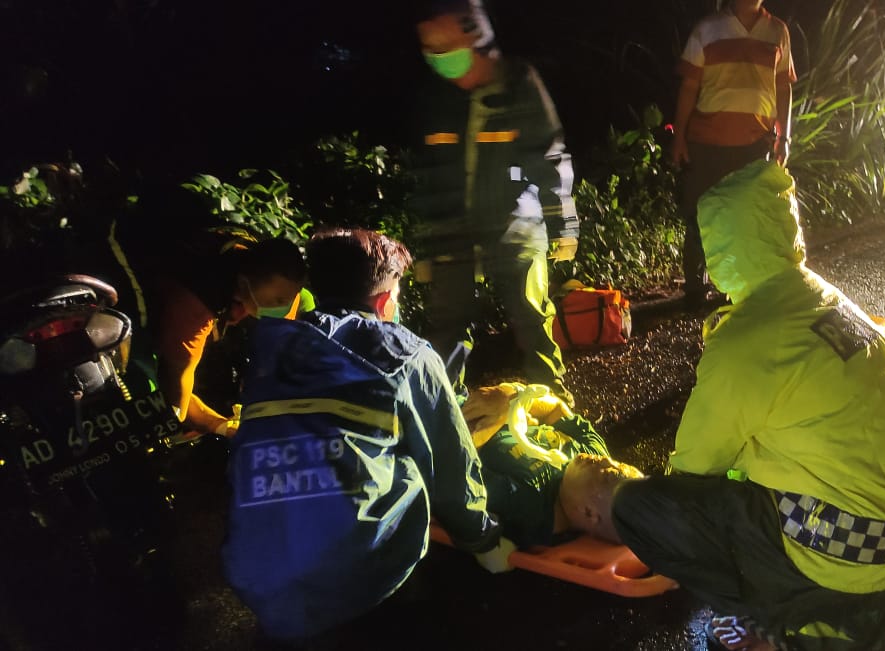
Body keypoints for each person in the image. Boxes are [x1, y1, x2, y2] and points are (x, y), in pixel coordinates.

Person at [611, 161, 885, 651]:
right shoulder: (826, 298)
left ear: (721, 247)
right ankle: (833, 620)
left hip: (847, 559)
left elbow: (693, 469)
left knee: (643, 508)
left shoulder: (746, 340)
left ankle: (773, 621)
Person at [220, 226, 514, 642]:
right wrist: (483, 540)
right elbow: (452, 464)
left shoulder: (274, 349)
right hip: (358, 579)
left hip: (257, 574)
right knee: (414, 463)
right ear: (383, 299)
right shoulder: (406, 353)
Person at [409, 0, 579, 406]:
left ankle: (552, 400)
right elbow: (426, 175)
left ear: (477, 39)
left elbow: (549, 157)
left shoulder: (518, 83)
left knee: (531, 315)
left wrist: (563, 224)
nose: (439, 61)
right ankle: (442, 409)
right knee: (447, 326)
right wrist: (424, 245)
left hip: (516, 223)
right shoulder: (436, 96)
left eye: (446, 49)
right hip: (451, 231)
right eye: (430, 51)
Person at [108, 193, 307, 437]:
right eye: (278, 301)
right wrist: (176, 427)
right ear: (244, 287)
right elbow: (179, 378)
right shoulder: (197, 301)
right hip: (131, 253)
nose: (285, 306)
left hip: (203, 255)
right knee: (141, 360)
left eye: (290, 299)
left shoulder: (277, 283)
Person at [670, 0, 796, 308]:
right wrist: (680, 138)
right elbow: (689, 86)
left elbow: (783, 88)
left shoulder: (777, 32)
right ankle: (695, 289)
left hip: (755, 144)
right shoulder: (707, 29)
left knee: (745, 218)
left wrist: (784, 137)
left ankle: (736, 290)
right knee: (700, 215)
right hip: (706, 141)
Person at [460, 382, 643, 547]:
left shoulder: (528, 504)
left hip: (452, 417)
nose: (605, 459)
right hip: (475, 405)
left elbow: (453, 468)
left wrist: (498, 417)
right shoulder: (592, 456)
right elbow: (555, 408)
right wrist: (511, 396)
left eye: (607, 474)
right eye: (617, 463)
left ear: (589, 513)